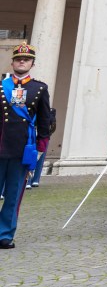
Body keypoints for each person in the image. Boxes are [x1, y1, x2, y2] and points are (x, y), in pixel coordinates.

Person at [0, 44, 52, 249]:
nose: (22, 61)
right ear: (12, 62)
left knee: (13, 195)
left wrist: (40, 148)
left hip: (23, 149)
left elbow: (44, 122)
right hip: (1, 145)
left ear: (32, 64)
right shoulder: (2, 86)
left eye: (26, 59)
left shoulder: (39, 88)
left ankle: (5, 234)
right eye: (18, 58)